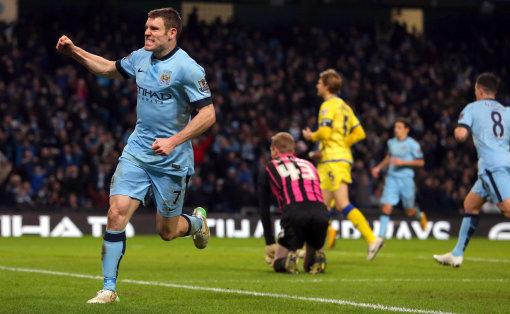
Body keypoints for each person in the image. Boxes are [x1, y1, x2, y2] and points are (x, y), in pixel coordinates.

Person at [56, 7, 216, 303]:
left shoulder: (188, 68)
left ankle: (195, 223)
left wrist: (174, 141)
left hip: (172, 160)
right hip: (138, 152)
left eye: (154, 29)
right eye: (146, 28)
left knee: (166, 232)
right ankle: (108, 289)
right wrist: (74, 51)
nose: (147, 33)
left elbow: (208, 114)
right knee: (116, 213)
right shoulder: (141, 57)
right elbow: (107, 68)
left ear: (172, 33)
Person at [302, 69, 381, 260]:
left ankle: (372, 239)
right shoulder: (345, 106)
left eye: (320, 82)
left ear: (327, 86)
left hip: (333, 162)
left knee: (341, 203)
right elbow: (359, 132)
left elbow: (326, 133)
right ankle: (310, 249)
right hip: (336, 158)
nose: (317, 85)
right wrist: (342, 144)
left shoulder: (328, 105)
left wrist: (311, 135)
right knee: (321, 206)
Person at [434, 72, 510, 267]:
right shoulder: (505, 110)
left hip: (492, 166)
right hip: (501, 164)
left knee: (507, 209)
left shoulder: (472, 108)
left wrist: (457, 132)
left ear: (480, 90)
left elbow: (461, 134)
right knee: (470, 204)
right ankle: (457, 253)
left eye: (475, 88)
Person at [258, 132, 329, 274]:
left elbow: (263, 207)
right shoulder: (309, 165)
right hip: (321, 213)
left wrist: (269, 241)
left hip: (295, 213)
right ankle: (316, 258)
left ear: (275, 150)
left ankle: (287, 260)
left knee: (277, 262)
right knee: (309, 265)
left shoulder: (270, 167)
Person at [371, 118, 427, 249]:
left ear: (406, 129)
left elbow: (421, 162)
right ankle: (380, 239)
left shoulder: (413, 144)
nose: (396, 129)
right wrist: (378, 167)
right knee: (386, 207)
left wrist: (404, 163)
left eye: (400, 127)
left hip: (406, 180)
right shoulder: (391, 142)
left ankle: (419, 215)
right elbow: (389, 157)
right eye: (395, 127)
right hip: (392, 178)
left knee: (409, 211)